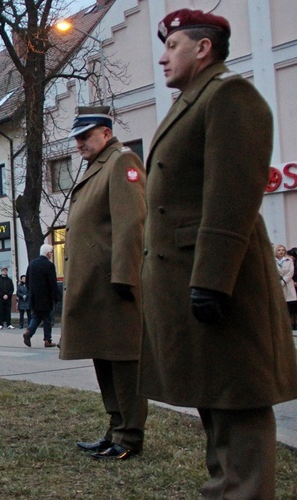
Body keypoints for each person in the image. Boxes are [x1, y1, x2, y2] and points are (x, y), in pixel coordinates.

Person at [141, 9, 297, 497]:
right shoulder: (195, 99)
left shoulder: (229, 95)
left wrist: (211, 279)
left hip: (221, 283)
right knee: (217, 401)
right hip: (195, 280)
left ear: (203, 48)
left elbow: (232, 195)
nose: (163, 57)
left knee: (239, 406)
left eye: (172, 46)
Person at [59, 106, 148, 461]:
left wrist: (125, 277)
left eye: (86, 136)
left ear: (106, 134)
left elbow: (131, 224)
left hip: (115, 284)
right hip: (96, 284)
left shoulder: (122, 162)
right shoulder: (98, 166)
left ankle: (129, 436)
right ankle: (115, 428)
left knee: (124, 361)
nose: (79, 143)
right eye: (77, 137)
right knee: (104, 358)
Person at [22, 245, 60, 348]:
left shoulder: (32, 264)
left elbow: (27, 281)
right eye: (51, 252)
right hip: (46, 297)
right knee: (47, 318)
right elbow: (52, 283)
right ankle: (47, 340)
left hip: (34, 297)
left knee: (37, 316)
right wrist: (56, 297)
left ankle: (29, 332)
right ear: (47, 253)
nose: (52, 254)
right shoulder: (49, 265)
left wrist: (31, 293)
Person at [275, 244, 297, 330]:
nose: (281, 252)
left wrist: (283, 281)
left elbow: (291, 272)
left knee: (290, 306)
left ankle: (293, 324)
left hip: (287, 284)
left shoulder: (289, 261)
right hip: (277, 284)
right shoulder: (273, 261)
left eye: (283, 250)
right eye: (279, 250)